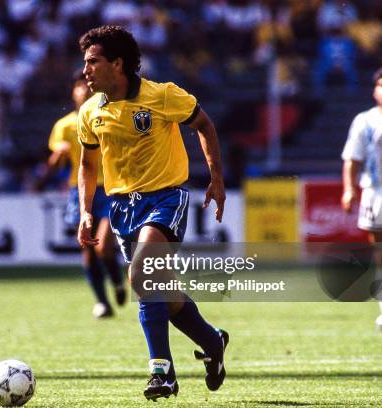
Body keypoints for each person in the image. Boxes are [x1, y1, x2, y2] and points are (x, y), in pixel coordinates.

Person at [76, 26, 228, 400]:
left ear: (118, 63)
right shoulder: (90, 112)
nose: (86, 70)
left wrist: (216, 178)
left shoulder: (162, 96)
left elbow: (204, 124)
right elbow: (87, 165)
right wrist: (85, 212)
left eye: (93, 61)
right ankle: (213, 341)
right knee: (156, 289)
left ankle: (162, 371)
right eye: (84, 63)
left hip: (166, 197)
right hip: (122, 205)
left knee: (144, 271)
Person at [40, 71, 125, 319]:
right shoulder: (64, 126)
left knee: (104, 246)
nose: (84, 90)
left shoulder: (108, 116)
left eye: (87, 85)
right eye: (79, 86)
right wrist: (59, 154)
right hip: (81, 192)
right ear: (73, 92)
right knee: (88, 248)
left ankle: (118, 281)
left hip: (112, 189)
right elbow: (53, 166)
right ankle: (102, 302)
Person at [341, 67, 382, 330]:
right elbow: (352, 159)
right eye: (381, 85)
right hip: (376, 193)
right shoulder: (364, 121)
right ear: (374, 91)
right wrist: (349, 188)